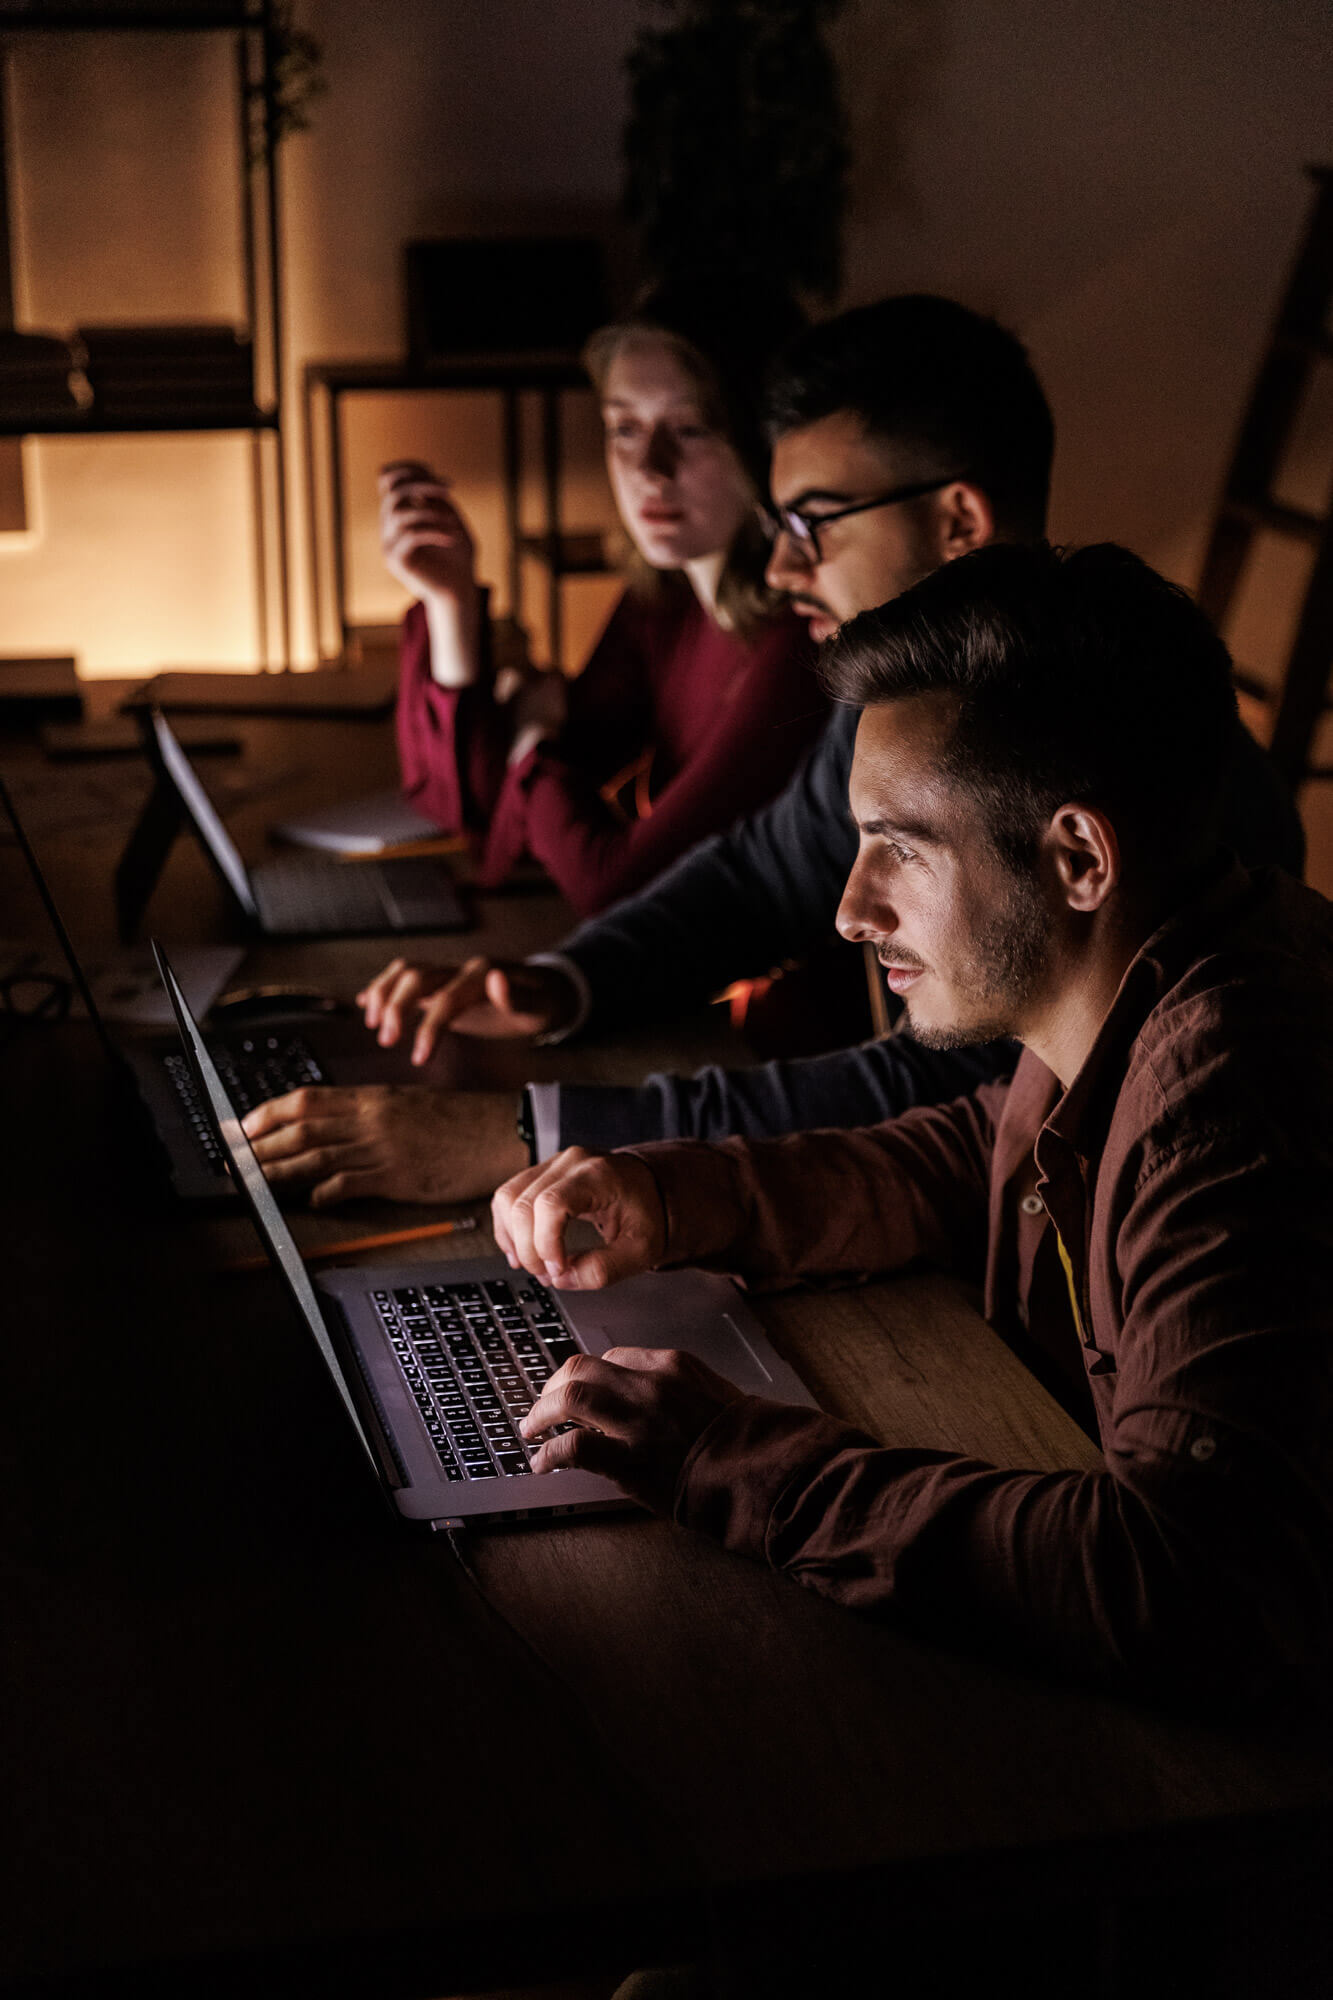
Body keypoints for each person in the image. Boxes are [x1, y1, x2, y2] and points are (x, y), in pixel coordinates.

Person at [489, 541, 1333, 1707]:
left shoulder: (1233, 1099)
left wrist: (721, 1455)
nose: (848, 907)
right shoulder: (1152, 974)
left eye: (899, 845)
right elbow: (970, 1157)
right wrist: (681, 1198)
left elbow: (1176, 1576)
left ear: (1078, 856)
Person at [242, 300, 1303, 1209]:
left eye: (814, 520)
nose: (784, 563)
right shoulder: (907, 696)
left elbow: (932, 1099)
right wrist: (560, 982)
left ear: (959, 521)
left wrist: (520, 1133)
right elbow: (759, 872)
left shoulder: (1128, 766)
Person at [384, 281, 824, 917]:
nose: (648, 466)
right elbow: (487, 812)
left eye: (691, 428)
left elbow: (614, 886)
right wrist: (451, 604)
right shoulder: (666, 598)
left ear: (763, 438)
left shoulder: (793, 643)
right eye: (624, 427)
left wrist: (534, 735)